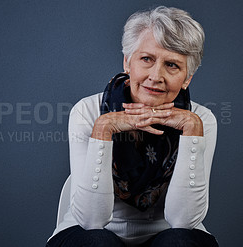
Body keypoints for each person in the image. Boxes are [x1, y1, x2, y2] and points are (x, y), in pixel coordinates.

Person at [46, 6, 219, 247]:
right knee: (97, 243)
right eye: (146, 59)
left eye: (172, 65)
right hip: (89, 233)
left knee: (180, 242)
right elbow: (91, 220)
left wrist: (191, 131)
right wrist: (104, 128)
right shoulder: (88, 111)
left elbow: (184, 220)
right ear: (127, 62)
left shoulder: (200, 118)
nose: (156, 76)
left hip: (167, 235)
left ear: (187, 78)